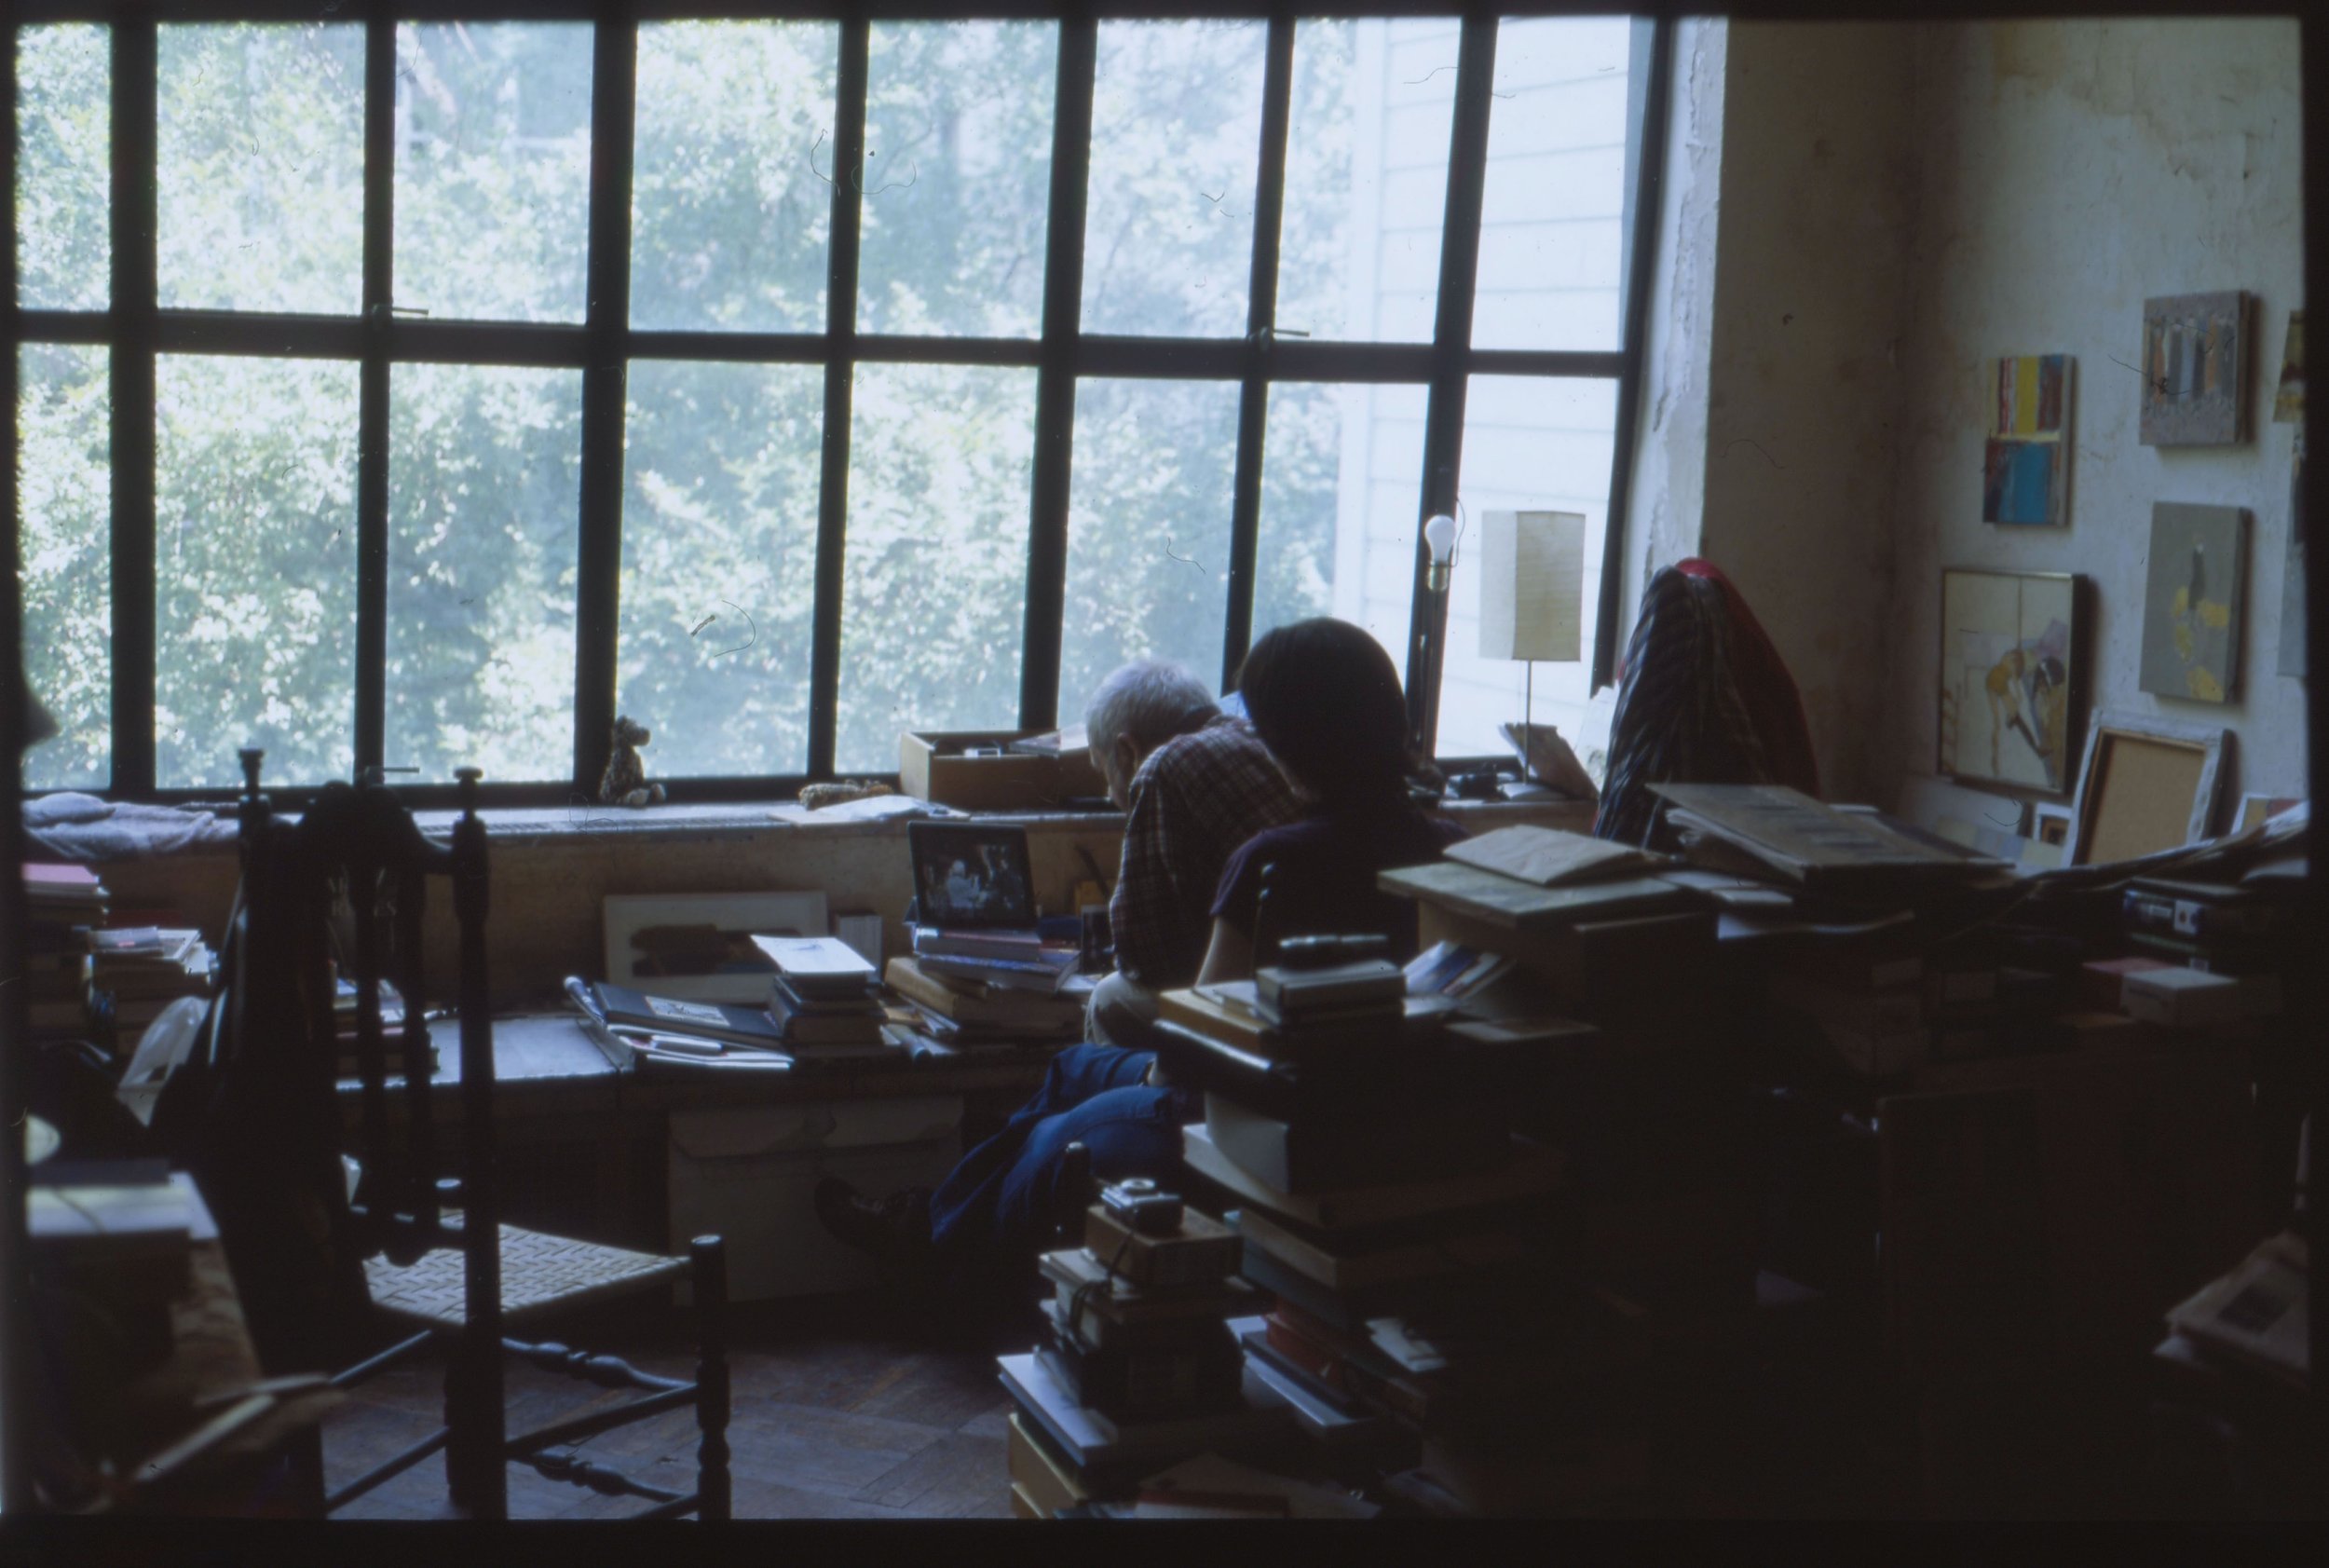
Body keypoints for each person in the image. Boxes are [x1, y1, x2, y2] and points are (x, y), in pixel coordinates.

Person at [813, 625, 1457, 1316]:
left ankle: (941, 1262)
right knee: (1067, 1072)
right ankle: (932, 1223)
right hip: (1367, 1100)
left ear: (1291, 736)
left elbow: (1209, 1037)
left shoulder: (1275, 862)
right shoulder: (1449, 846)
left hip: (1246, 1106)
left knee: (1055, 1134)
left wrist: (1148, 1080)